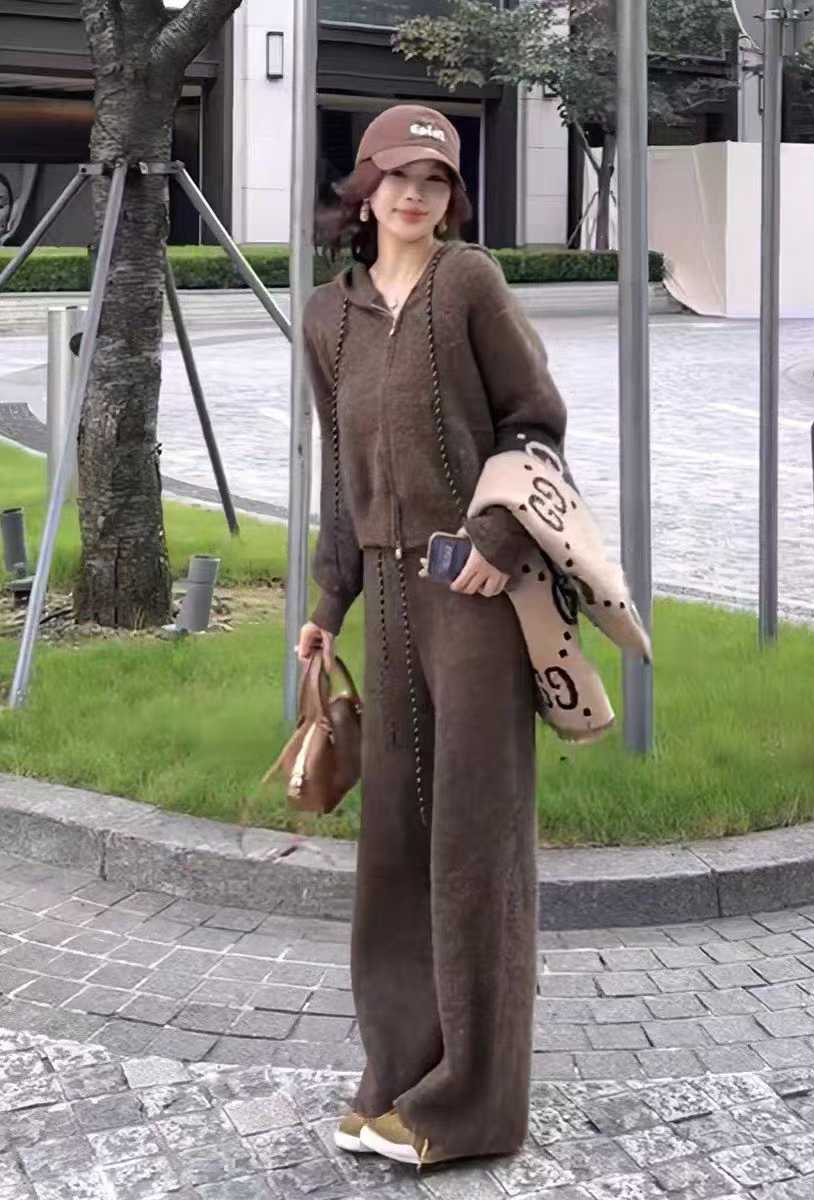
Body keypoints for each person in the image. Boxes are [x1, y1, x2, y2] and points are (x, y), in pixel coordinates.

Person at [297, 104, 568, 1168]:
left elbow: (535, 421)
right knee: (395, 848)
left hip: (475, 594)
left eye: (436, 179)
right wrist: (327, 604)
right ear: (364, 191)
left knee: (475, 847)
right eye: (397, 177)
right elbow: (339, 476)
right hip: (389, 597)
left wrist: (497, 535)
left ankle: (473, 1106)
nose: (414, 194)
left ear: (453, 197)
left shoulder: (470, 286)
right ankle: (397, 1077)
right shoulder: (329, 315)